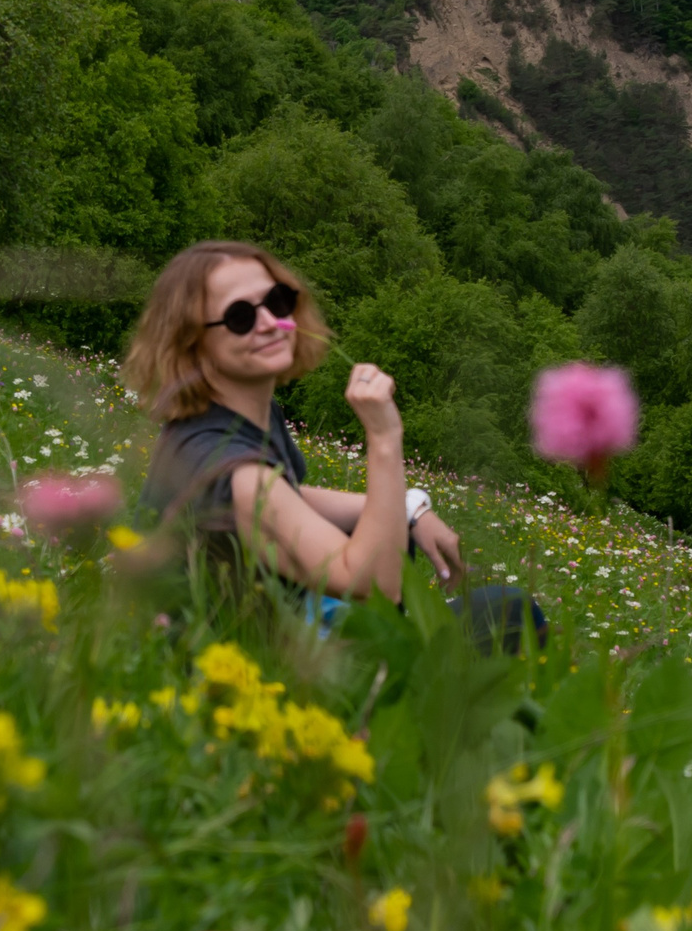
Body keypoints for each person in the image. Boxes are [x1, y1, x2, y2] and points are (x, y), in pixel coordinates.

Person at [124, 240, 540, 650]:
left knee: (391, 526)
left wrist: (409, 508)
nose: (269, 322)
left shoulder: (231, 416)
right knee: (513, 612)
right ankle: (389, 689)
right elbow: (375, 583)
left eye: (278, 300)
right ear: (191, 342)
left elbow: (285, 499)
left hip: (275, 623)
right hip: (254, 678)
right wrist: (383, 438)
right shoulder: (236, 472)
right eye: (239, 317)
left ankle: (393, 651)